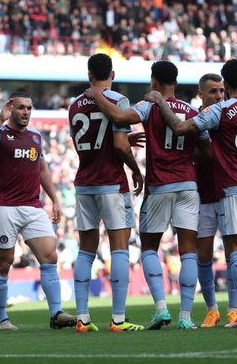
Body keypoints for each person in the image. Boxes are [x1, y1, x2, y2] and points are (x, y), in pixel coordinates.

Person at [146, 59, 237, 328]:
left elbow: (181, 128)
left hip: (233, 188)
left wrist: (160, 102)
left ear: (226, 85)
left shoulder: (220, 111)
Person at [85, 60, 205, 330]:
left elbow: (119, 117)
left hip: (160, 185)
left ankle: (161, 309)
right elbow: (204, 151)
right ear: (175, 81)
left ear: (154, 81)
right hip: (187, 185)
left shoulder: (150, 105)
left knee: (150, 247)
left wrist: (97, 96)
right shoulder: (190, 110)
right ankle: (186, 316)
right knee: (188, 252)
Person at [0, 93, 77, 331]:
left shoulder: (35, 137)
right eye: (21, 108)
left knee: (50, 256)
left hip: (33, 206)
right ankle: (1, 320)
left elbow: (42, 169)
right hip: (5, 207)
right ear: (11, 109)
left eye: (29, 108)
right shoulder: (0, 135)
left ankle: (56, 314)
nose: (26, 112)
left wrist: (54, 198)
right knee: (3, 263)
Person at [69, 53, 145, 332]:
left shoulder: (74, 106)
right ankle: (118, 318)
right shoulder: (117, 100)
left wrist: (122, 140)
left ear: (89, 75)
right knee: (120, 249)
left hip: (84, 182)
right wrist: (135, 169)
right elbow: (119, 146)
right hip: (111, 182)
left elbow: (89, 141)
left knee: (86, 250)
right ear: (112, 74)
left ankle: (82, 318)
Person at [192, 73, 237, 328]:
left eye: (222, 91)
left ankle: (234, 309)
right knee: (203, 254)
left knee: (234, 251)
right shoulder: (194, 120)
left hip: (227, 193)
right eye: (213, 91)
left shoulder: (229, 117)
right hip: (201, 195)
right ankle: (212, 309)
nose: (219, 96)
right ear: (200, 94)